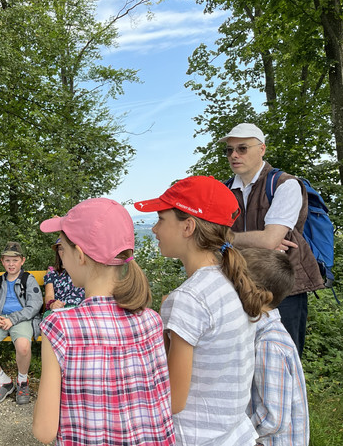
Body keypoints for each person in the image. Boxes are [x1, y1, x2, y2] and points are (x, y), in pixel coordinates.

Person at [135, 175, 272, 446]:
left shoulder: (189, 299)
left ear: (188, 227)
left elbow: (172, 399)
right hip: (233, 435)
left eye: (161, 220)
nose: (154, 229)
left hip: (194, 437)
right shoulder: (233, 282)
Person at [33, 198, 174, 445]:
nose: (60, 257)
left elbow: (44, 431)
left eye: (61, 249)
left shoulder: (60, 326)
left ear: (79, 255)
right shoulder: (151, 321)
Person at [220, 123, 323, 356]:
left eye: (242, 148)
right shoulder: (224, 190)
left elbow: (269, 240)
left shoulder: (285, 185)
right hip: (238, 282)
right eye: (229, 150)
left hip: (282, 286)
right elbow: (211, 238)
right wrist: (256, 240)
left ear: (262, 149)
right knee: (243, 357)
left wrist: (229, 238)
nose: (234, 155)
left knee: (283, 355)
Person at [241, 248, 309, 446]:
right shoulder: (260, 335)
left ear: (262, 296)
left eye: (235, 284)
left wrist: (235, 436)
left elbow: (273, 419)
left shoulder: (269, 344)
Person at [0, 241, 42, 405]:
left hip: (21, 319)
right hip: (1, 319)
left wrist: (14, 319)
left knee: (23, 346)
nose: (11, 264)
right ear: (2, 261)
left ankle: (22, 381)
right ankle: (4, 381)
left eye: (15, 260)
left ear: (22, 261)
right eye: (7, 260)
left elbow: (35, 305)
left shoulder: (28, 280)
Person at [42, 238, 85, 317]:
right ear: (58, 252)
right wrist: (52, 304)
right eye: (60, 249)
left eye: (66, 248)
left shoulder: (83, 269)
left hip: (80, 309)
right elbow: (49, 296)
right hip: (60, 308)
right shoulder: (52, 272)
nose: (63, 251)